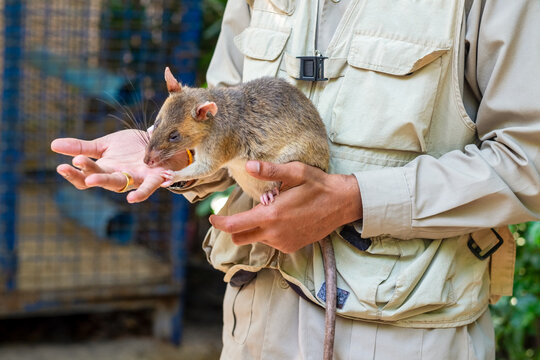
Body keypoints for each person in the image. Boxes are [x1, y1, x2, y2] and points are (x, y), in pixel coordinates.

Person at [51, 0, 540, 358]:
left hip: (403, 332)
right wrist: (160, 160)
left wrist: (357, 199)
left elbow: (527, 163)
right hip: (255, 323)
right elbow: (218, 127)